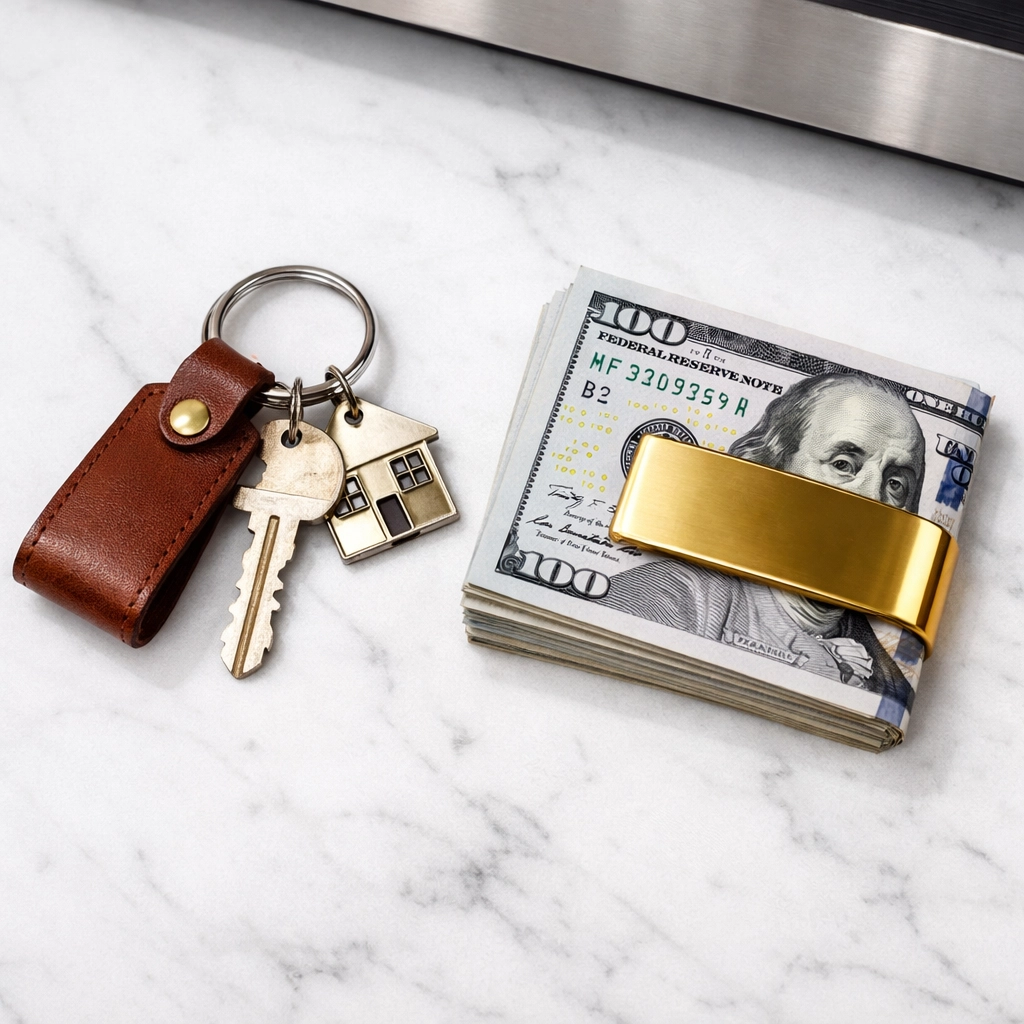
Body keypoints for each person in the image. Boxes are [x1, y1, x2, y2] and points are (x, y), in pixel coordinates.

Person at [602, 372, 927, 707]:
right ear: (766, 469)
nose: (873, 498)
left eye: (895, 485)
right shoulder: (672, 596)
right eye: (842, 464)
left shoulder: (891, 688)